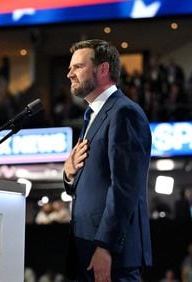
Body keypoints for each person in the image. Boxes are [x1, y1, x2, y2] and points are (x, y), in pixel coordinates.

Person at [63, 39, 152, 281]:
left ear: (103, 70)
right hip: (86, 252)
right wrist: (69, 174)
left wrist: (105, 246)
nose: (69, 73)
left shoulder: (124, 112)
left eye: (78, 67)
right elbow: (92, 182)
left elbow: (124, 188)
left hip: (111, 257)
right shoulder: (91, 115)